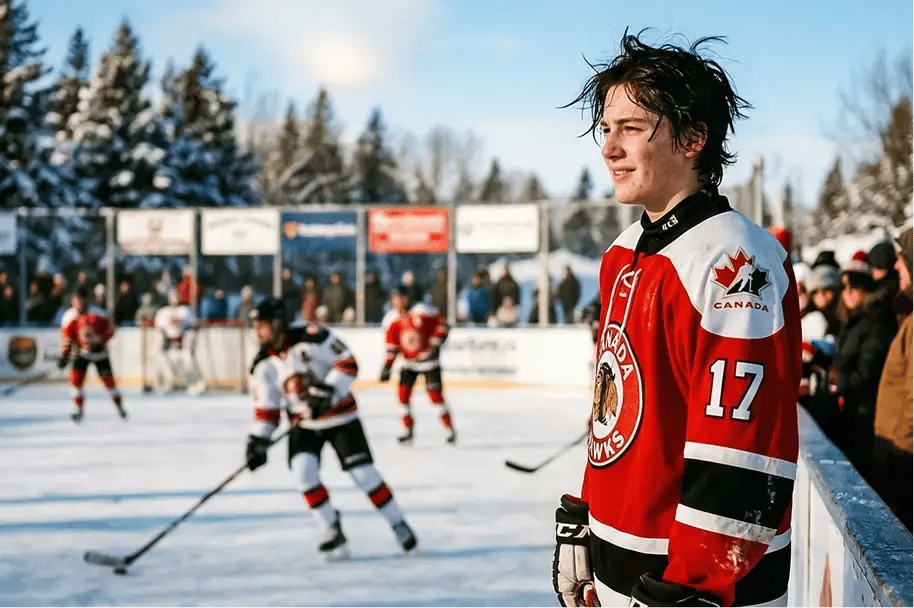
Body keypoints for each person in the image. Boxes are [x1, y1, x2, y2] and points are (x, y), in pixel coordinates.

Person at [553, 31, 801, 608]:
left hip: (692, 585)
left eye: (632, 129)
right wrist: (587, 520)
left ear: (693, 139)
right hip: (624, 564)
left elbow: (742, 451)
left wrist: (692, 587)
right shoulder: (625, 250)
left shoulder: (734, 260)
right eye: (606, 129)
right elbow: (619, 411)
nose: (610, 148)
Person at [244, 298, 417, 559]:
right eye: (255, 326)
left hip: (341, 419)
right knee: (304, 472)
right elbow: (267, 411)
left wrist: (329, 393)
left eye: (262, 326)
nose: (258, 332)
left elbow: (348, 362)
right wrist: (258, 441)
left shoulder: (313, 337)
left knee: (363, 475)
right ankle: (329, 526)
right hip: (304, 424)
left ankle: (397, 522)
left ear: (278, 324)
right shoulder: (263, 365)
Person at [831, 251, 897, 480]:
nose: (846, 293)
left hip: (865, 417)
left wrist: (836, 383)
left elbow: (869, 373)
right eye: (844, 288)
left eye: (853, 287)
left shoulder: (877, 321)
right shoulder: (853, 321)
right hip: (851, 412)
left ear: (865, 289)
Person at [872, 226, 913, 532]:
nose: (896, 266)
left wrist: (900, 457)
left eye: (902, 260)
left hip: (904, 464)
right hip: (896, 461)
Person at [380, 286, 456, 444]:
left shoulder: (422, 311)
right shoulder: (391, 319)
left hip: (429, 362)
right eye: (395, 298)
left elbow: (443, 324)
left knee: (435, 397)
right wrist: (387, 366)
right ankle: (407, 429)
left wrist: (436, 343)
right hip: (409, 363)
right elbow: (392, 346)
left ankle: (449, 429)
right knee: (402, 396)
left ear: (407, 298)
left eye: (401, 297)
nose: (398, 302)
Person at [58, 288, 126, 422]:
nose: (78, 303)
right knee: (75, 382)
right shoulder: (69, 316)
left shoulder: (98, 313)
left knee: (110, 384)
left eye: (80, 300)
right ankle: (79, 409)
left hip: (100, 354)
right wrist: (65, 355)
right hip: (82, 354)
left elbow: (111, 329)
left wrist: (101, 340)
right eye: (75, 300)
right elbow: (67, 337)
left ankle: (120, 407)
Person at [151, 289, 205, 396]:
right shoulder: (163, 312)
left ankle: (194, 385)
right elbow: (158, 328)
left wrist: (188, 336)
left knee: (188, 362)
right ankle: (163, 384)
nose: (174, 300)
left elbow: (194, 325)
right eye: (172, 297)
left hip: (182, 346)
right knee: (158, 359)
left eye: (176, 297)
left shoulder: (186, 311)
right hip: (168, 346)